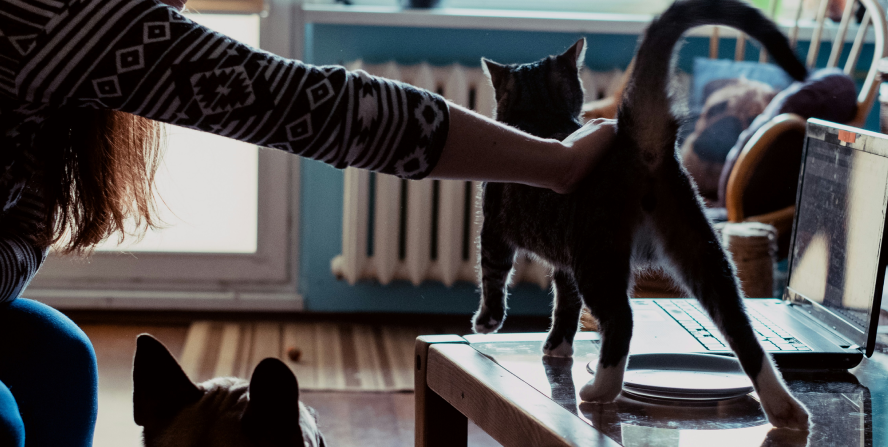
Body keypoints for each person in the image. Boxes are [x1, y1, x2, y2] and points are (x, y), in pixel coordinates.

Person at [0, 0, 616, 445]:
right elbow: (330, 110)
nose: (181, 10)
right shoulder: (59, 14)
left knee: (62, 361)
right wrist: (556, 162)